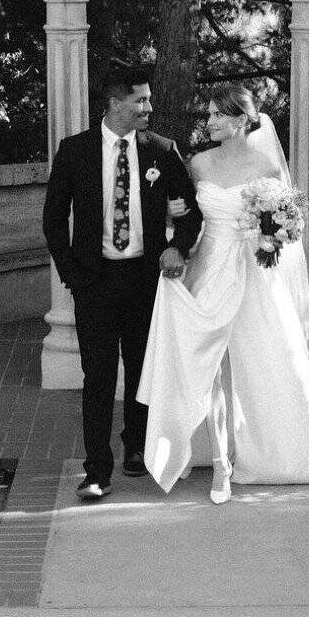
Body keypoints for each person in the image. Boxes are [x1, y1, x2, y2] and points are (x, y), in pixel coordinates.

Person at [137, 80, 309, 502]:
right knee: (209, 366)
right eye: (210, 114)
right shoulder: (198, 163)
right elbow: (185, 218)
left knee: (255, 364)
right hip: (208, 267)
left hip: (254, 275)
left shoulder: (267, 168)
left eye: (218, 114)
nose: (210, 121)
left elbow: (286, 231)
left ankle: (260, 450)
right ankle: (219, 464)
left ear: (241, 120)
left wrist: (272, 237)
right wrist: (170, 214)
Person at [43, 63, 202, 501]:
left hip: (145, 279)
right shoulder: (74, 150)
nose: (149, 107)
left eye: (148, 99)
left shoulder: (161, 151)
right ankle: (96, 470)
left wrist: (178, 248)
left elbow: (192, 209)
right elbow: (53, 218)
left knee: (140, 367)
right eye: (141, 100)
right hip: (93, 282)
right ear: (116, 104)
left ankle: (136, 447)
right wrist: (72, 273)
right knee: (96, 374)